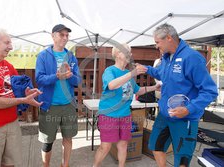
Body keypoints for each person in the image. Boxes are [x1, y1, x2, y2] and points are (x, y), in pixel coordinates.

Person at [143, 23, 218, 167]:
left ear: (169, 38)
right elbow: (162, 74)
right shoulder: (166, 58)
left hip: (185, 118)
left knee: (181, 159)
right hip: (165, 115)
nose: (156, 46)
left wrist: (189, 109)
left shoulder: (192, 57)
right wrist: (146, 69)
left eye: (157, 42)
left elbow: (209, 91)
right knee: (155, 147)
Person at [0, 28, 43, 167]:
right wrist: (23, 100)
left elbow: (11, 92)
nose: (11, 47)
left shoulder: (8, 65)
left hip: (11, 123)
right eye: (7, 43)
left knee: (12, 163)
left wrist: (26, 94)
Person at [93, 43, 160, 167]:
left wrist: (154, 87)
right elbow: (112, 85)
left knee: (123, 145)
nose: (131, 54)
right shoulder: (110, 71)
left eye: (131, 51)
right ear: (118, 54)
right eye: (127, 51)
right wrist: (132, 74)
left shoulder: (129, 74)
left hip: (125, 115)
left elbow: (138, 90)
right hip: (109, 115)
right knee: (105, 146)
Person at [35, 24, 82, 167]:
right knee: (48, 141)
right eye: (62, 34)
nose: (65, 38)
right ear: (53, 35)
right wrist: (57, 76)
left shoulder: (71, 57)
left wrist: (69, 76)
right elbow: (39, 79)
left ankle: (65, 165)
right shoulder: (43, 56)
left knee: (68, 138)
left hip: (68, 105)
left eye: (67, 35)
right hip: (49, 105)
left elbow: (78, 80)